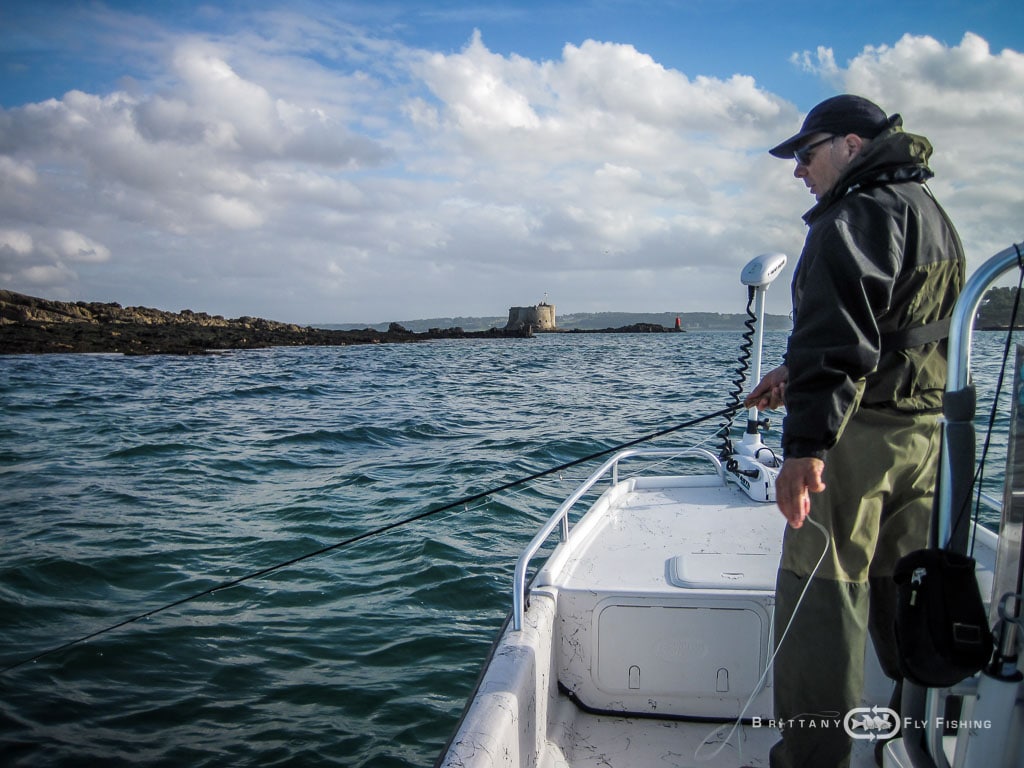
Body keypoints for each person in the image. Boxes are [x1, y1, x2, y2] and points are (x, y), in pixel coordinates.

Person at [745, 94, 966, 767]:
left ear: (849, 144)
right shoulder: (930, 214)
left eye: (805, 154)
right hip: (925, 442)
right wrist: (795, 368)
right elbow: (893, 330)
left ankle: (815, 759)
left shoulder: (856, 213)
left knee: (823, 589)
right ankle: (920, 733)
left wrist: (805, 448)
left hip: (859, 440)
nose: (797, 171)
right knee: (907, 588)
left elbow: (838, 337)